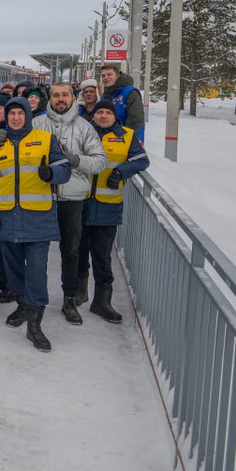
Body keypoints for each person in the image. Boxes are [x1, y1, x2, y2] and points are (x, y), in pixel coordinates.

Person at [0, 96, 72, 352]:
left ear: (28, 116)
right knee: (13, 269)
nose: (16, 118)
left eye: (20, 113)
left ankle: (34, 323)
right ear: (6, 117)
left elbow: (65, 169)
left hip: (37, 218)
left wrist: (51, 173)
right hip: (7, 218)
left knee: (36, 271)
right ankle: (23, 304)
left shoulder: (46, 140)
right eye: (12, 114)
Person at [33, 82, 108, 326]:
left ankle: (69, 299)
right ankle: (35, 299)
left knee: (71, 251)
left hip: (72, 199)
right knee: (38, 251)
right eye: (56, 95)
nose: (60, 99)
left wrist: (75, 160)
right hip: (42, 196)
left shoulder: (85, 127)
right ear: (50, 99)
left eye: (64, 95)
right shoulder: (36, 124)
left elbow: (100, 162)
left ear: (73, 98)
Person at [80, 101, 149, 323]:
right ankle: (77, 293)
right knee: (77, 252)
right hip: (80, 204)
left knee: (102, 256)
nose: (103, 116)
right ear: (93, 115)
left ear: (114, 115)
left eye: (108, 112)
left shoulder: (126, 135)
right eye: (99, 112)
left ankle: (102, 301)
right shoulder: (83, 132)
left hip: (107, 208)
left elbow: (141, 160)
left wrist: (120, 172)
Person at [100, 63, 145, 143]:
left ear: (118, 75)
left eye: (109, 74)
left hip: (128, 140)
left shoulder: (130, 92)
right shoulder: (105, 95)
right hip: (110, 140)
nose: (106, 78)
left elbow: (135, 119)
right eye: (103, 76)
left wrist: (121, 137)